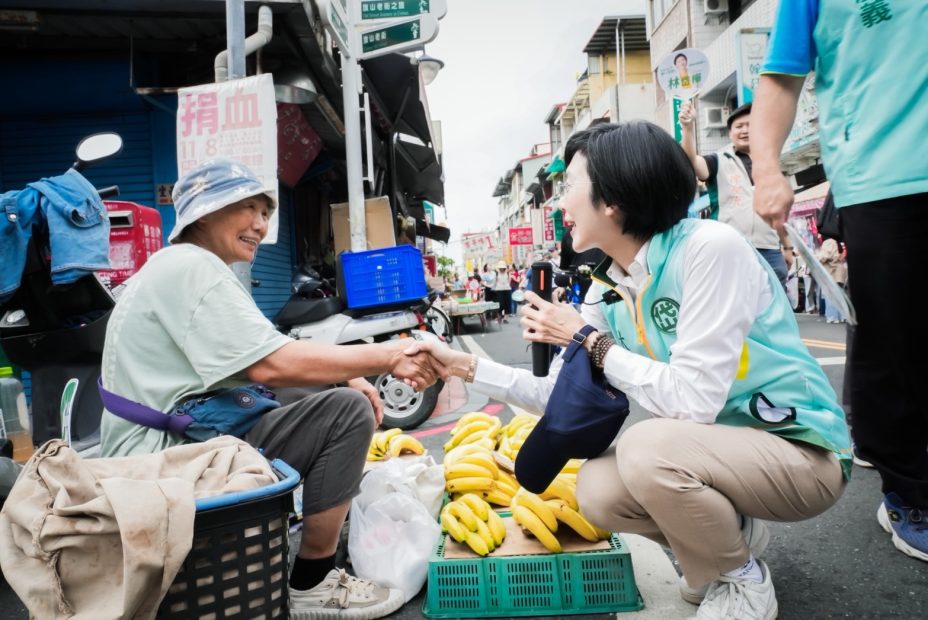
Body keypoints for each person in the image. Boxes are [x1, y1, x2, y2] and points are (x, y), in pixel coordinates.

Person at [414, 121, 851, 620]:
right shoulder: (607, 288)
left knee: (645, 447)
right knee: (597, 490)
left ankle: (742, 581)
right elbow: (557, 395)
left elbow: (692, 402)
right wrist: (462, 366)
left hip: (801, 453)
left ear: (614, 199)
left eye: (570, 186)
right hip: (719, 454)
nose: (561, 204)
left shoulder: (709, 248)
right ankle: (732, 542)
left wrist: (589, 340)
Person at [98, 159, 440, 619]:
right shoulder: (193, 267)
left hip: (159, 444)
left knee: (316, 395)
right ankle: (313, 582)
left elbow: (260, 352)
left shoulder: (175, 265)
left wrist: (344, 373)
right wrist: (389, 355)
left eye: (265, 213)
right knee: (347, 412)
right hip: (163, 459)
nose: (261, 225)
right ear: (205, 212)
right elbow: (270, 364)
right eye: (248, 208)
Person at [750, 0, 928, 563]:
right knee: (894, 343)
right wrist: (767, 169)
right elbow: (781, 75)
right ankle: (910, 491)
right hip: (884, 177)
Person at [678, 100, 792, 289]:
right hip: (731, 248)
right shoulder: (718, 161)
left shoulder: (769, 163)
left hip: (770, 249)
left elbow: (777, 212)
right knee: (736, 300)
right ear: (730, 133)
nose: (745, 130)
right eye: (739, 126)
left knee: (777, 302)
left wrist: (787, 246)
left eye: (750, 125)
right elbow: (692, 162)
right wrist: (688, 128)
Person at [815, 239, 847, 323]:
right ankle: (843, 316)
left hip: (832, 272)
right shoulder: (838, 242)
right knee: (840, 295)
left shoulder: (829, 241)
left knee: (830, 296)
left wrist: (816, 257)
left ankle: (833, 317)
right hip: (840, 271)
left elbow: (825, 256)